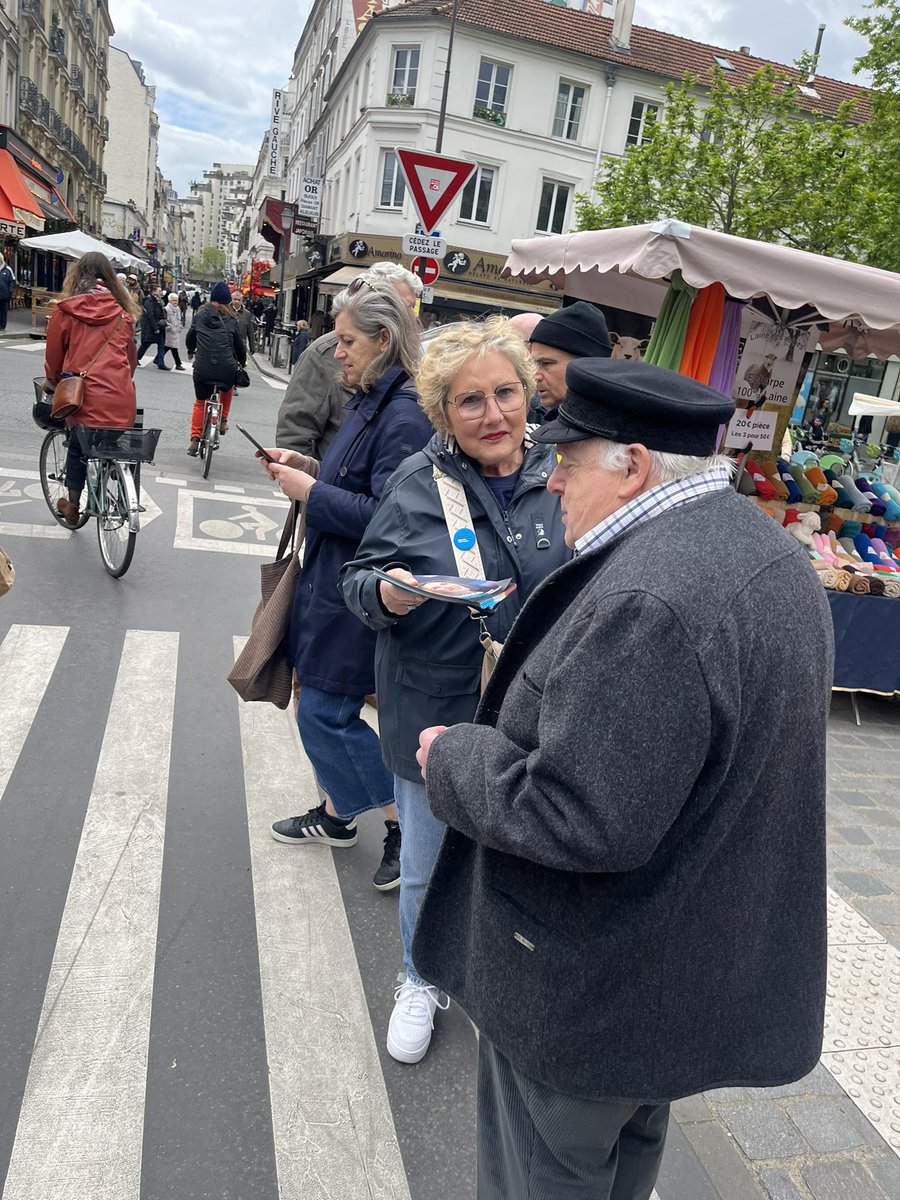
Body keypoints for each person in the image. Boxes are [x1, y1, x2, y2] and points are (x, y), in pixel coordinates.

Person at [412, 358, 833, 1200]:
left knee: (542, 1177)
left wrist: (451, 757)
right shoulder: (766, 554)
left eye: (567, 465)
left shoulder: (652, 598)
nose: (552, 485)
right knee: (623, 1163)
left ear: (633, 465)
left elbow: (581, 816)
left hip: (588, 988)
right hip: (672, 976)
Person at [341, 317, 570, 1064]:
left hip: (536, 712)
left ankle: (502, 976)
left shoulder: (563, 471)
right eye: (470, 401)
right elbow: (359, 580)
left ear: (529, 393)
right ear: (442, 413)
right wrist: (391, 594)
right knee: (429, 862)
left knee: (518, 860)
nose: (493, 414)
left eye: (506, 392)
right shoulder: (416, 483)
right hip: (433, 702)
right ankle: (420, 976)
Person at [260, 282, 433, 890]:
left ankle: (406, 824)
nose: (337, 351)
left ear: (384, 341)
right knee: (322, 705)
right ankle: (340, 817)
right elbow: (358, 481)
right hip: (333, 582)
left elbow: (392, 517)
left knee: (325, 713)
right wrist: (307, 467)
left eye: (349, 341)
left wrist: (313, 495)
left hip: (357, 590)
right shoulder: (370, 398)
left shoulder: (404, 413)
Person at [275, 262, 422, 459]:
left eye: (412, 308)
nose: (409, 317)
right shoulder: (323, 355)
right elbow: (295, 433)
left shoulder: (413, 356)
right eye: (401, 307)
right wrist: (309, 481)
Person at [43, 251, 139, 524]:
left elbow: (53, 358)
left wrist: (53, 383)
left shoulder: (66, 310)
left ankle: (73, 507)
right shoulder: (123, 315)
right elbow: (130, 361)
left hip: (83, 397)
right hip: (120, 397)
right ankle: (114, 477)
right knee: (110, 440)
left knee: (77, 446)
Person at [185, 280, 246, 454]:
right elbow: (239, 346)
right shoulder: (232, 319)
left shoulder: (200, 315)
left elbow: (190, 337)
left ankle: (195, 439)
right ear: (227, 301)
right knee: (227, 388)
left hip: (203, 366)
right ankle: (224, 419)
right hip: (226, 367)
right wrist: (241, 362)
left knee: (200, 403)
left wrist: (190, 350)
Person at [528, 300, 612, 419]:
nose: (535, 376)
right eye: (533, 364)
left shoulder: (616, 431)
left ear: (585, 366)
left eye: (545, 363)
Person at [137, 285, 168, 369]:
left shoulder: (160, 301)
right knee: (146, 344)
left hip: (159, 326)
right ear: (153, 291)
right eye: (159, 291)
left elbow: (161, 313)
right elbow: (150, 315)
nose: (161, 292)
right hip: (151, 327)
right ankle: (136, 358)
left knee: (161, 345)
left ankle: (160, 363)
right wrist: (155, 328)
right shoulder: (149, 301)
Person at [163, 292, 186, 371]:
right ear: (170, 301)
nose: (175, 302)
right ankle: (178, 364)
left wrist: (180, 326)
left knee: (168, 347)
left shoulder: (177, 309)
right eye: (174, 300)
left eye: (176, 300)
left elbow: (179, 319)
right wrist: (169, 327)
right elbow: (165, 320)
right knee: (173, 348)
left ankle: (158, 358)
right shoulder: (166, 309)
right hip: (169, 331)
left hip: (175, 331)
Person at [0, 255, 16, 331]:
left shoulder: (8, 269)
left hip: (4, 295)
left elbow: (12, 281)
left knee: (3, 311)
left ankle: (2, 327)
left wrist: (10, 291)